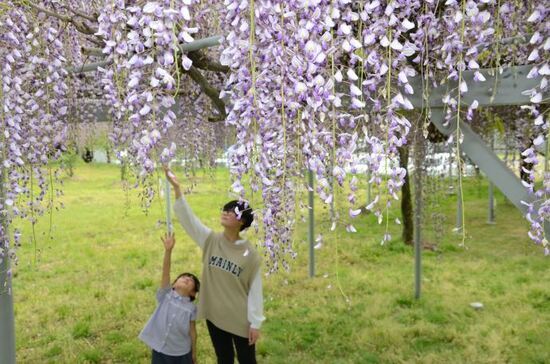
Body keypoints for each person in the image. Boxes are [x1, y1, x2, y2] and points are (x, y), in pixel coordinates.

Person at [164, 166, 264, 364]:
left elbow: (255, 291)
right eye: (225, 209)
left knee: (247, 360)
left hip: (240, 318)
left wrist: (255, 322)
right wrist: (177, 189)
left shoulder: (250, 254)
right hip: (214, 314)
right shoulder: (211, 240)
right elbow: (190, 221)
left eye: (231, 211)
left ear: (242, 221)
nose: (225, 212)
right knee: (224, 358)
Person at [139, 232, 200, 364]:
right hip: (160, 349)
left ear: (193, 294)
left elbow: (192, 331)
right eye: (183, 277)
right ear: (173, 284)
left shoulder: (191, 308)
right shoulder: (165, 295)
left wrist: (194, 352)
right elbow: (166, 272)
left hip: (181, 353)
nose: (187, 278)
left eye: (191, 280)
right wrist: (168, 251)